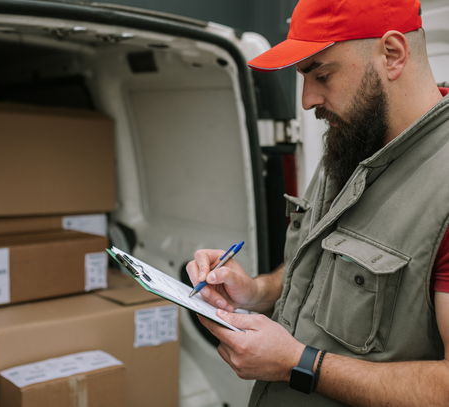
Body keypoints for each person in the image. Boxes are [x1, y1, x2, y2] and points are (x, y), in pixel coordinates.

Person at [186, 0, 449, 405]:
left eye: (322, 74)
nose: (308, 100)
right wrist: (256, 291)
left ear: (392, 54)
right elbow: (317, 271)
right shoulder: (351, 143)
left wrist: (298, 363)